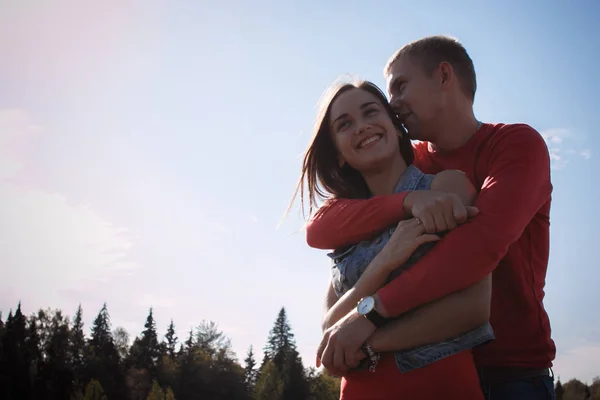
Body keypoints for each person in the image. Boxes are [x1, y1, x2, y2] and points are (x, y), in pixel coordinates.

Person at [307, 36, 556, 399]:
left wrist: (368, 323)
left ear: (443, 76)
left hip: (512, 372)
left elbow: (476, 249)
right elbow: (319, 227)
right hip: (425, 368)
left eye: (400, 87)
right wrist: (407, 203)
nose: (393, 105)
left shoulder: (514, 146)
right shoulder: (412, 168)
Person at [293, 78, 493, 399]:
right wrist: (384, 262)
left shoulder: (445, 188)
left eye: (371, 112)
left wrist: (364, 337)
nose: (361, 126)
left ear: (396, 128)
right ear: (339, 154)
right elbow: (329, 325)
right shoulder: (345, 227)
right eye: (345, 124)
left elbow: (473, 306)